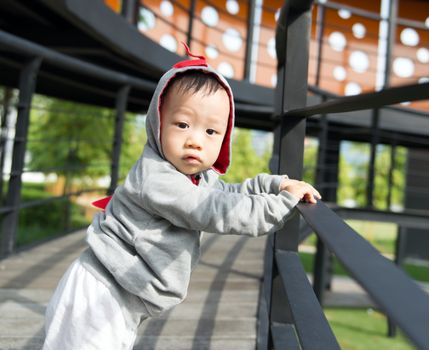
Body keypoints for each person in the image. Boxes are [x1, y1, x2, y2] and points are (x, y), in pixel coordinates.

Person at [43, 47, 320, 350]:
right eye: (183, 124)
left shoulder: (196, 178)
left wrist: (276, 185)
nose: (195, 140)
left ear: (224, 137)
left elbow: (228, 192)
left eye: (211, 131)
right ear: (158, 122)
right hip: (100, 294)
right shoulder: (157, 178)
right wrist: (280, 206)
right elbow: (214, 210)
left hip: (124, 294)